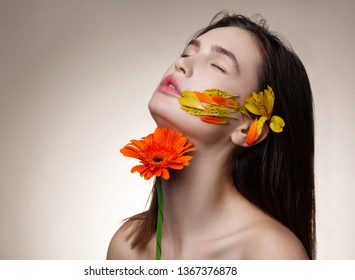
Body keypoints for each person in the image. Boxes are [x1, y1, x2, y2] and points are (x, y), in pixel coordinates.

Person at [107, 12, 315, 260]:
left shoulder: (271, 254)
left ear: (249, 129)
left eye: (218, 65)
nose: (181, 64)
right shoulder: (126, 247)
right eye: (186, 53)